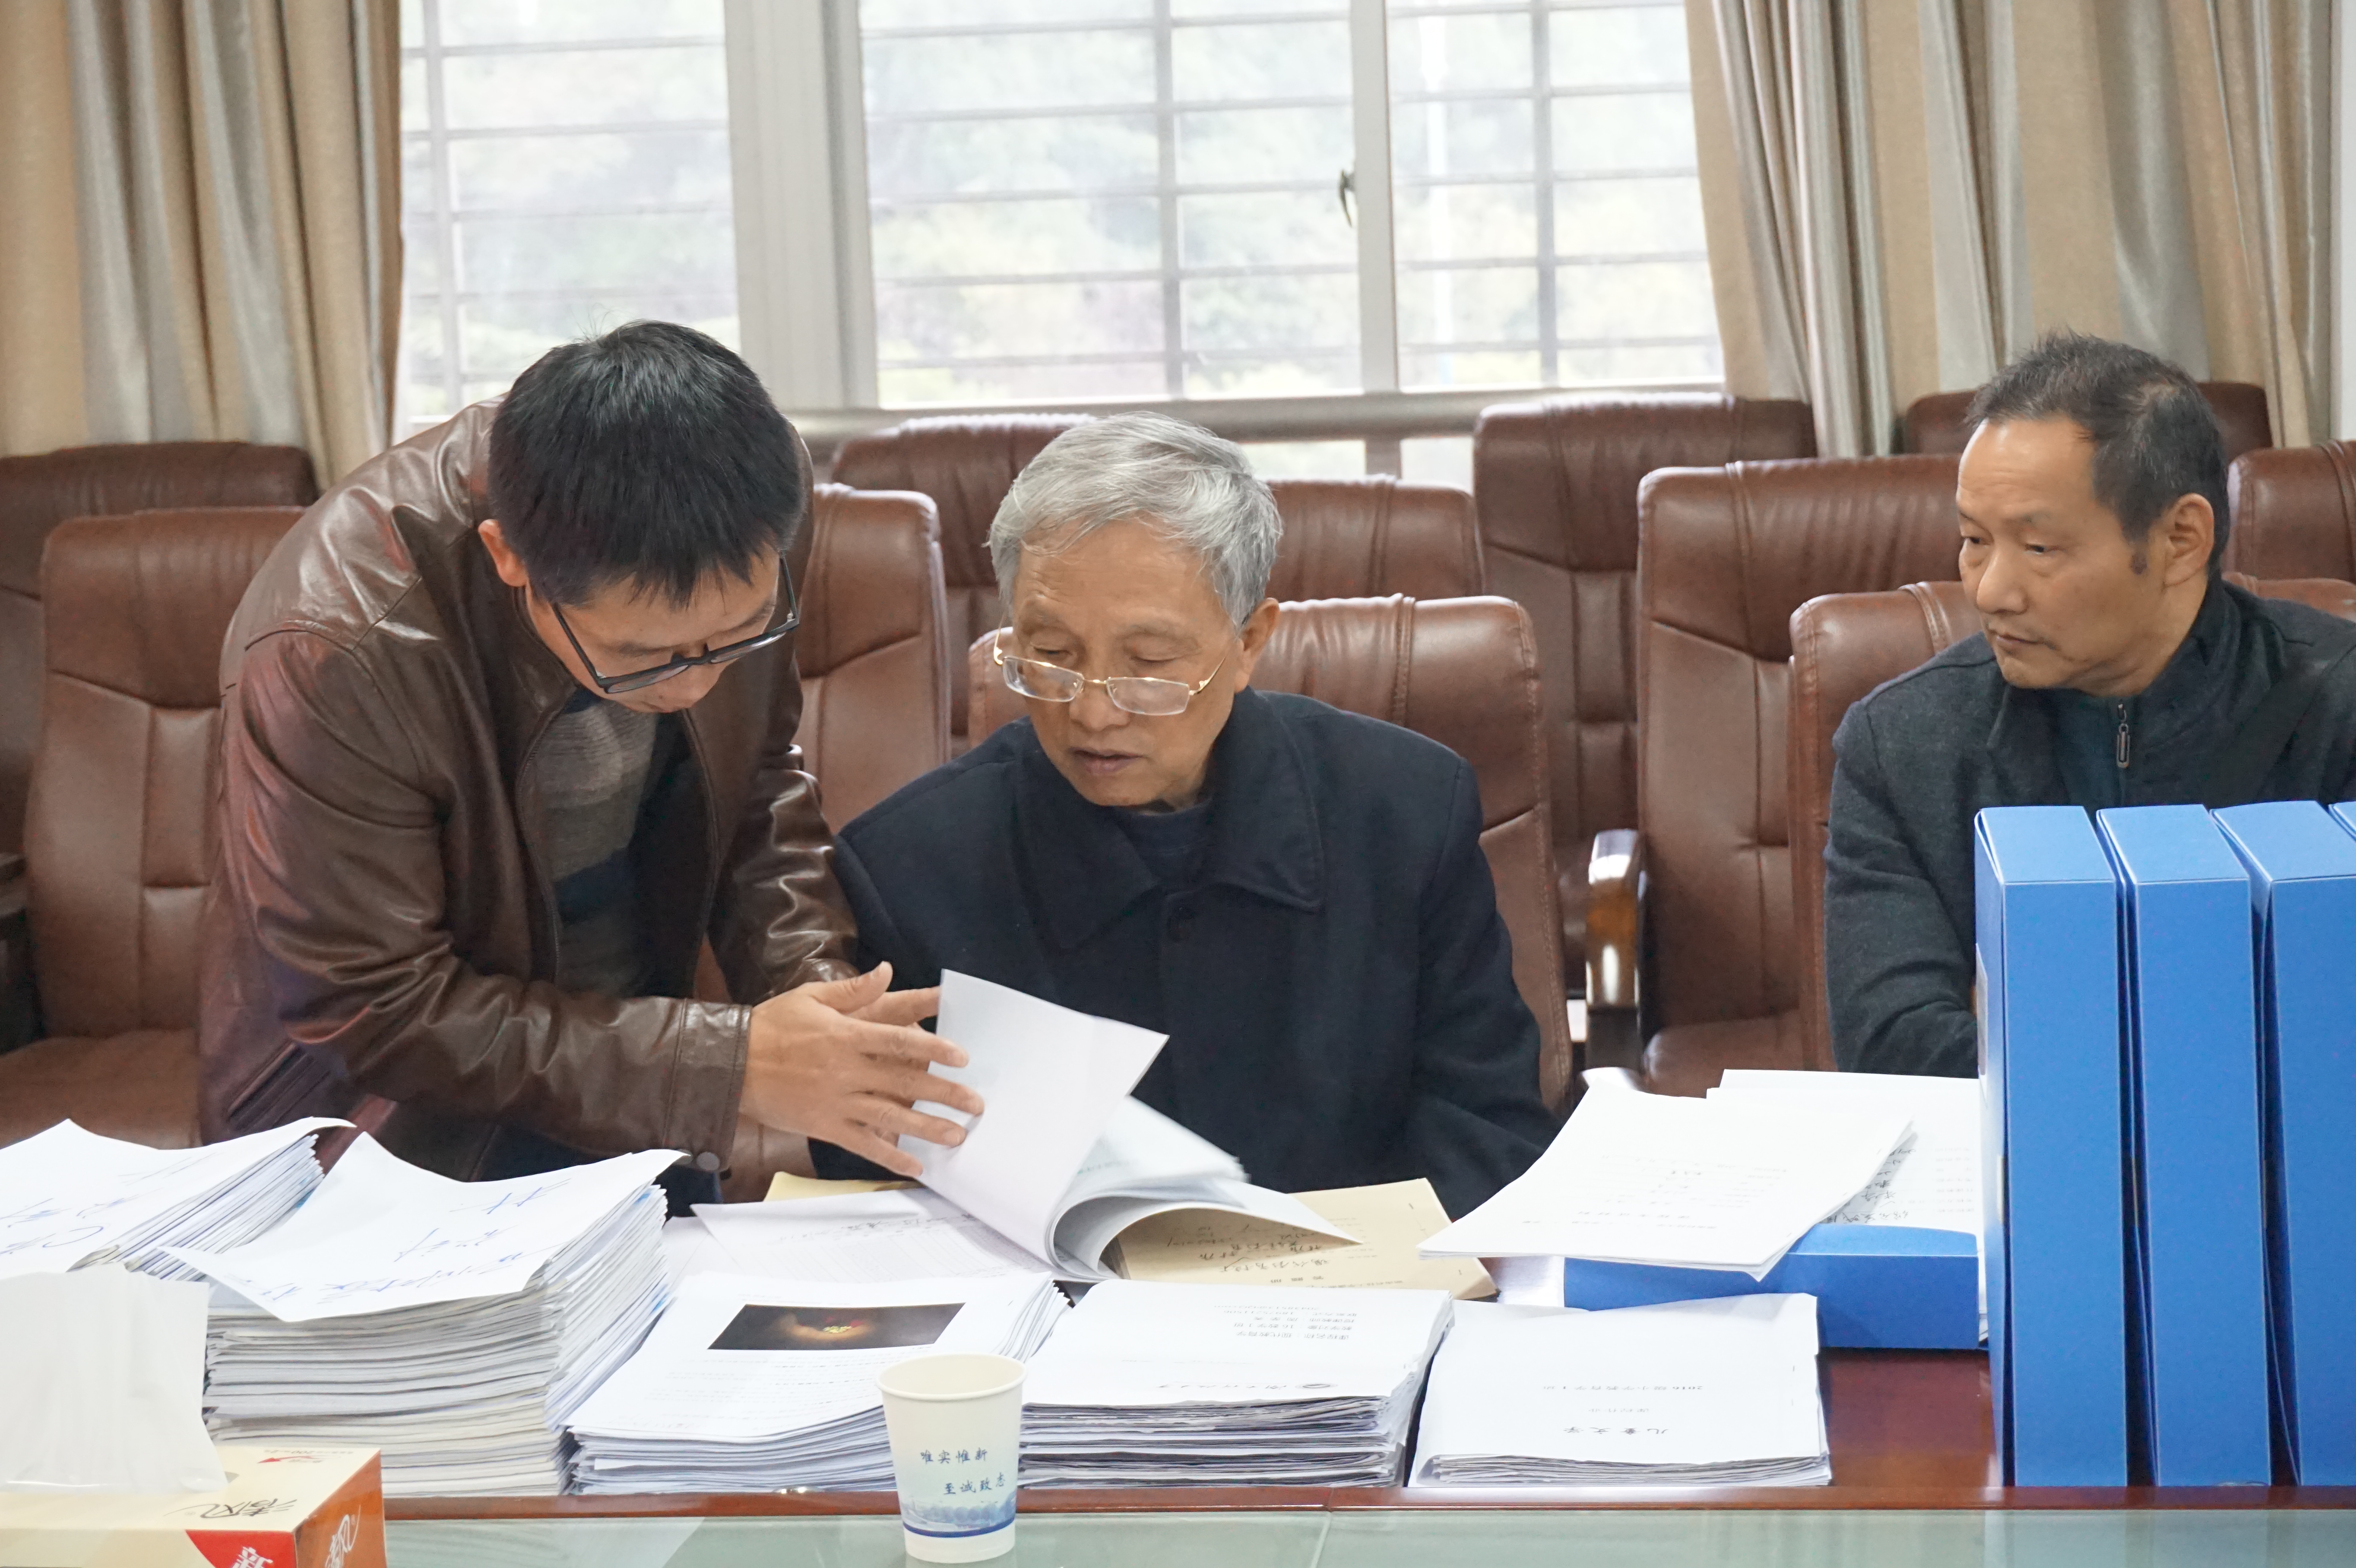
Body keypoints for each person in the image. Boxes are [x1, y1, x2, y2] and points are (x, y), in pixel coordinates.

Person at [200, 322, 982, 1201]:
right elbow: (377, 1006)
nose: (695, 686)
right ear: (508, 558)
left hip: (633, 1065)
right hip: (401, 1136)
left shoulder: (753, 496)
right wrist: (723, 1064)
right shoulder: (336, 646)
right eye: (644, 657)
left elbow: (756, 784)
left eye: (736, 635)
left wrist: (820, 1008)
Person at [823, 413, 1554, 1217]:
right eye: (1052, 655)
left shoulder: (1404, 811)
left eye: (1149, 663)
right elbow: (875, 1188)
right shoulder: (910, 866)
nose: (1094, 713)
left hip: (1368, 1278)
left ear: (1249, 643)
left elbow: (1488, 1128)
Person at [1825, 333, 2356, 1076]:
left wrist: (2016, 1029)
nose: (1990, 591)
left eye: (2039, 549)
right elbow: (1895, 1050)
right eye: (1974, 540)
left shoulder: (2338, 707)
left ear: (2181, 540)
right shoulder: (1903, 744)